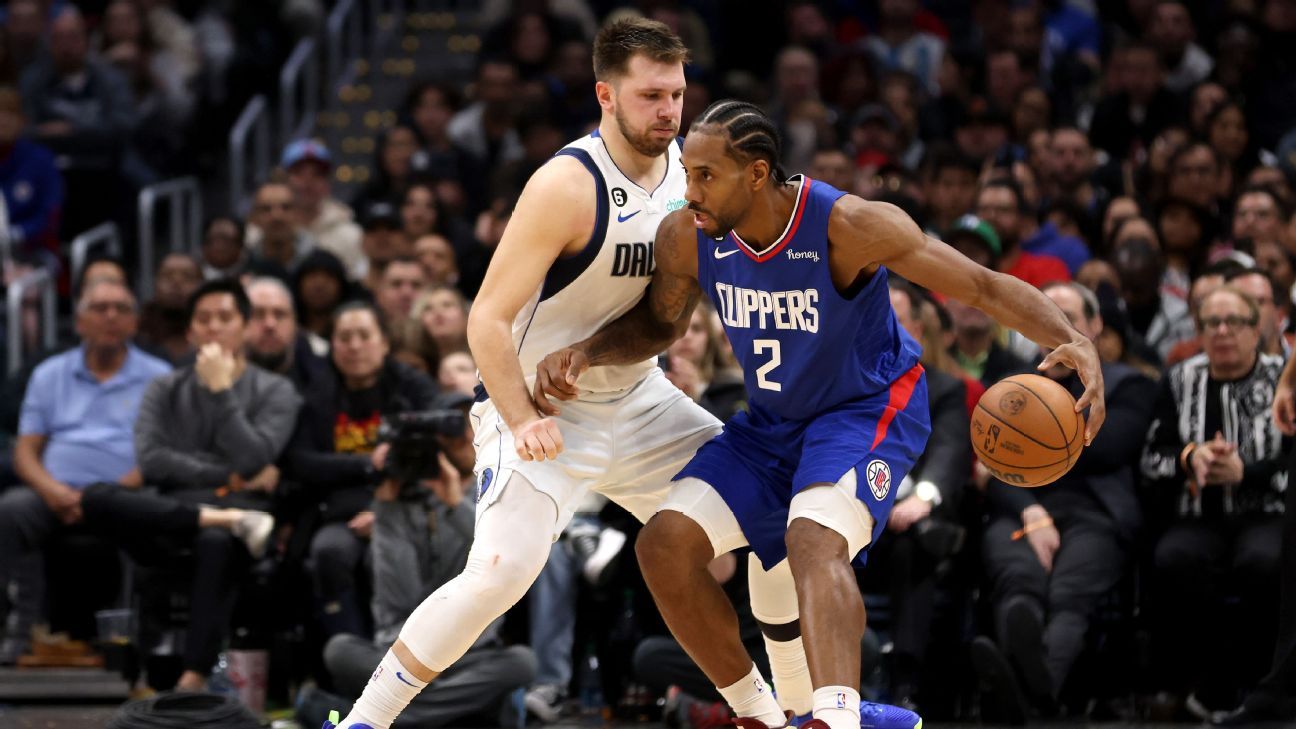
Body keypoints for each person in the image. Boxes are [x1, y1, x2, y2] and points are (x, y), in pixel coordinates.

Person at [327, 20, 885, 729]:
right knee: (499, 573)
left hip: (642, 397)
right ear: (605, 95)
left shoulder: (695, 175)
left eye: (677, 94)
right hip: (539, 406)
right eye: (651, 95)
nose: (669, 112)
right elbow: (485, 322)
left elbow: (677, 306)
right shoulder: (566, 183)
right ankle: (360, 723)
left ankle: (788, 714)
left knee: (777, 520)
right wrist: (523, 418)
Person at [533, 99, 1104, 729]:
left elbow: (983, 286)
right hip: (773, 423)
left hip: (865, 408)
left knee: (813, 538)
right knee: (663, 546)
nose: (688, 191)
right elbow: (658, 324)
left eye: (704, 176)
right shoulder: (688, 237)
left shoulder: (848, 225)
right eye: (686, 173)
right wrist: (586, 353)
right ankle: (762, 716)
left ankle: (837, 718)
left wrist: (1072, 341)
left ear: (755, 174)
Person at [78, 279, 302, 691]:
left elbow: (255, 457)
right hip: (176, 516)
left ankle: (192, 676)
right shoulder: (164, 387)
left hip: (244, 530)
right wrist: (226, 474)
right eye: (204, 319)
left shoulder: (276, 390)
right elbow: (152, 461)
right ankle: (222, 518)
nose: (214, 327)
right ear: (190, 332)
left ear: (245, 327)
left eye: (225, 318)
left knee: (215, 543)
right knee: (96, 498)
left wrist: (220, 391)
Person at [0, 278, 170, 663]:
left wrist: (108, 496)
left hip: (126, 492)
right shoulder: (49, 374)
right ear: (78, 322)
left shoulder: (158, 375)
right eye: (99, 308)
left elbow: (161, 453)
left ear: (135, 322)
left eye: (121, 309)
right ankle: (20, 631)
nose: (111, 316)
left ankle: (132, 640)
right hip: (56, 493)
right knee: (11, 509)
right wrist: (53, 491)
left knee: (150, 512)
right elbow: (26, 451)